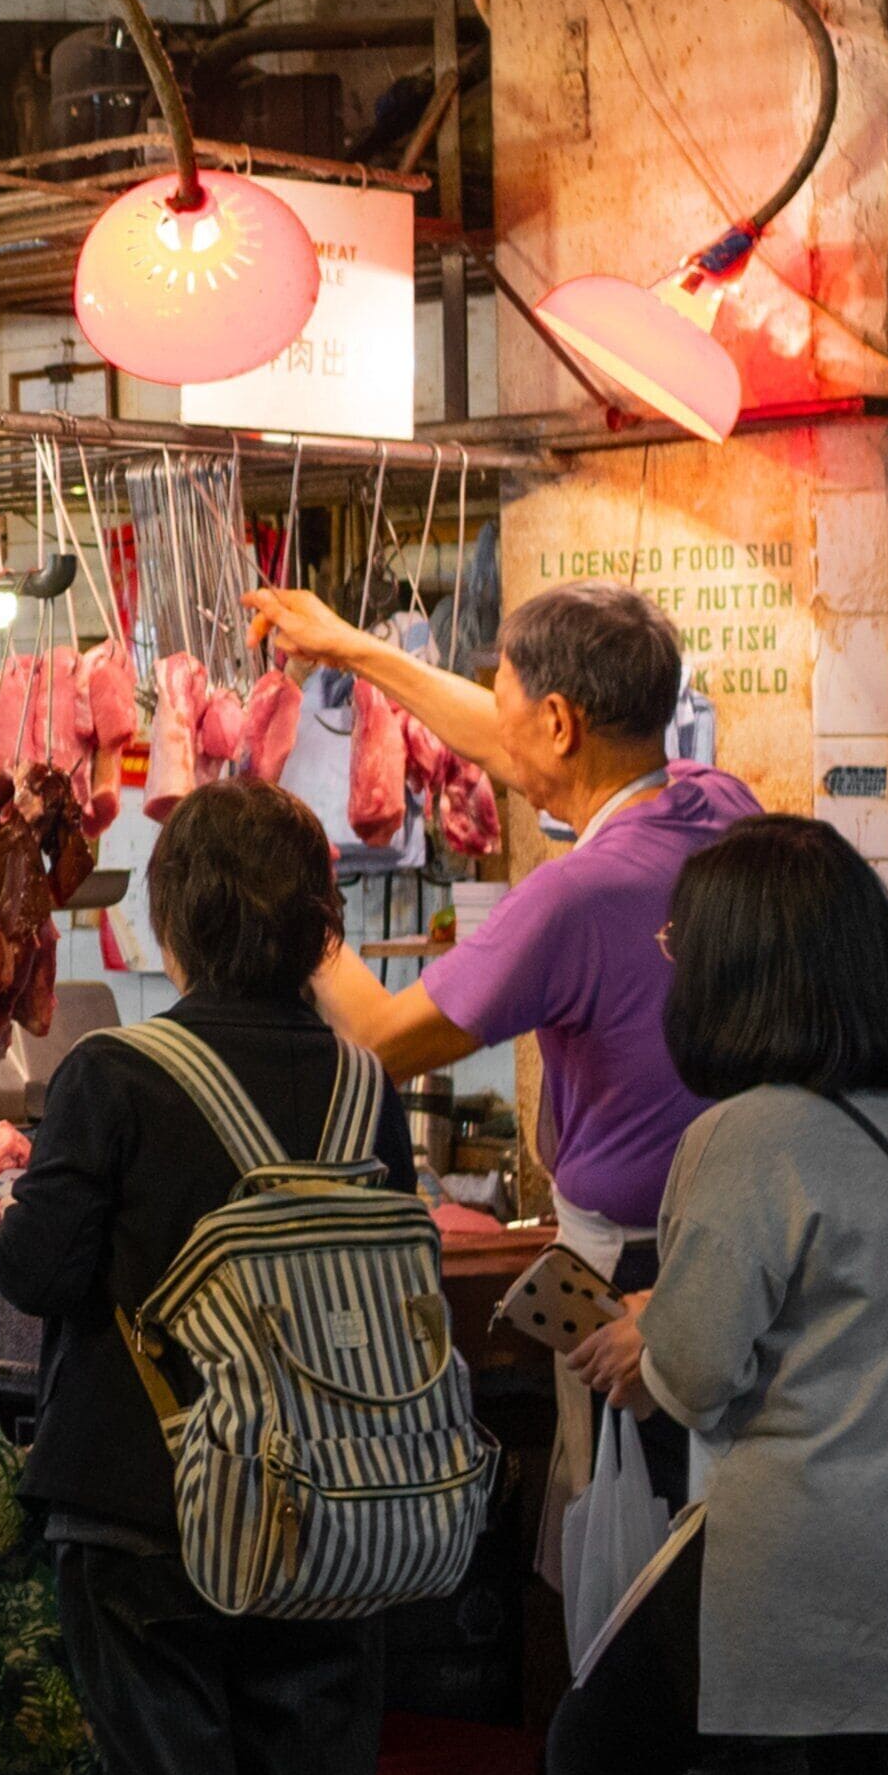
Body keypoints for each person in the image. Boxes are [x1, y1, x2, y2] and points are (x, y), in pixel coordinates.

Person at [543, 816, 888, 1775]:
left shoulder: (747, 1132)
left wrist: (642, 1347)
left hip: (802, 1569)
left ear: (736, 968)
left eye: (681, 946)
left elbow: (699, 1374)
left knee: (594, 1756)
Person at [0, 778, 415, 1775]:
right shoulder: (366, 1089)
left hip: (151, 1521)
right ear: (321, 930)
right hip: (335, 1515)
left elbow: (37, 1273)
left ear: (170, 922)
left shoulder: (118, 1076)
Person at [248, 579, 759, 1431]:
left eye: (508, 697)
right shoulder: (718, 802)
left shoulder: (571, 898)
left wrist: (290, 894)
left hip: (634, 1279)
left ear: (560, 723)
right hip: (734, 1250)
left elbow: (379, 1042)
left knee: (634, 1541)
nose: (496, 720)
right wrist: (350, 648)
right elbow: (509, 742)